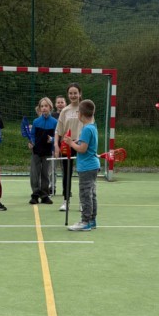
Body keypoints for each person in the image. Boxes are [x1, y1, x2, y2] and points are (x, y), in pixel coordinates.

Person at [62, 99, 99, 232]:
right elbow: (85, 143)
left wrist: (71, 143)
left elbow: (82, 149)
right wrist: (76, 141)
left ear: (81, 114)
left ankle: (85, 221)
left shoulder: (86, 129)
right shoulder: (92, 127)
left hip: (87, 167)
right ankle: (92, 220)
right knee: (91, 194)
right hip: (92, 166)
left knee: (85, 195)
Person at [54, 83, 83, 212]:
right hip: (67, 146)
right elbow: (58, 130)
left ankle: (83, 201)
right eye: (70, 93)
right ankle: (66, 201)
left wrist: (80, 140)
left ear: (80, 94)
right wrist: (56, 145)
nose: (73, 95)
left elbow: (90, 127)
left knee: (83, 174)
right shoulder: (65, 111)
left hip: (82, 145)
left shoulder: (85, 108)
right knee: (67, 173)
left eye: (75, 93)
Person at [28, 97, 58, 204]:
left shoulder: (55, 122)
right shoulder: (36, 121)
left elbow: (57, 137)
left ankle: (45, 195)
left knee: (46, 174)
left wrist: (53, 141)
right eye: (42, 106)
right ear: (39, 108)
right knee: (34, 173)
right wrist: (31, 143)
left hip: (48, 152)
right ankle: (35, 194)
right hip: (36, 151)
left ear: (50, 107)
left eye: (46, 106)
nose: (44, 108)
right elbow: (32, 135)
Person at [50, 94, 67, 196]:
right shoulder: (52, 116)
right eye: (58, 102)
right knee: (52, 168)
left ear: (65, 103)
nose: (60, 104)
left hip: (66, 145)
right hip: (54, 145)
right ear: (55, 104)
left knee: (65, 169)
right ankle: (52, 187)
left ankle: (66, 188)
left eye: (62, 102)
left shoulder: (68, 115)